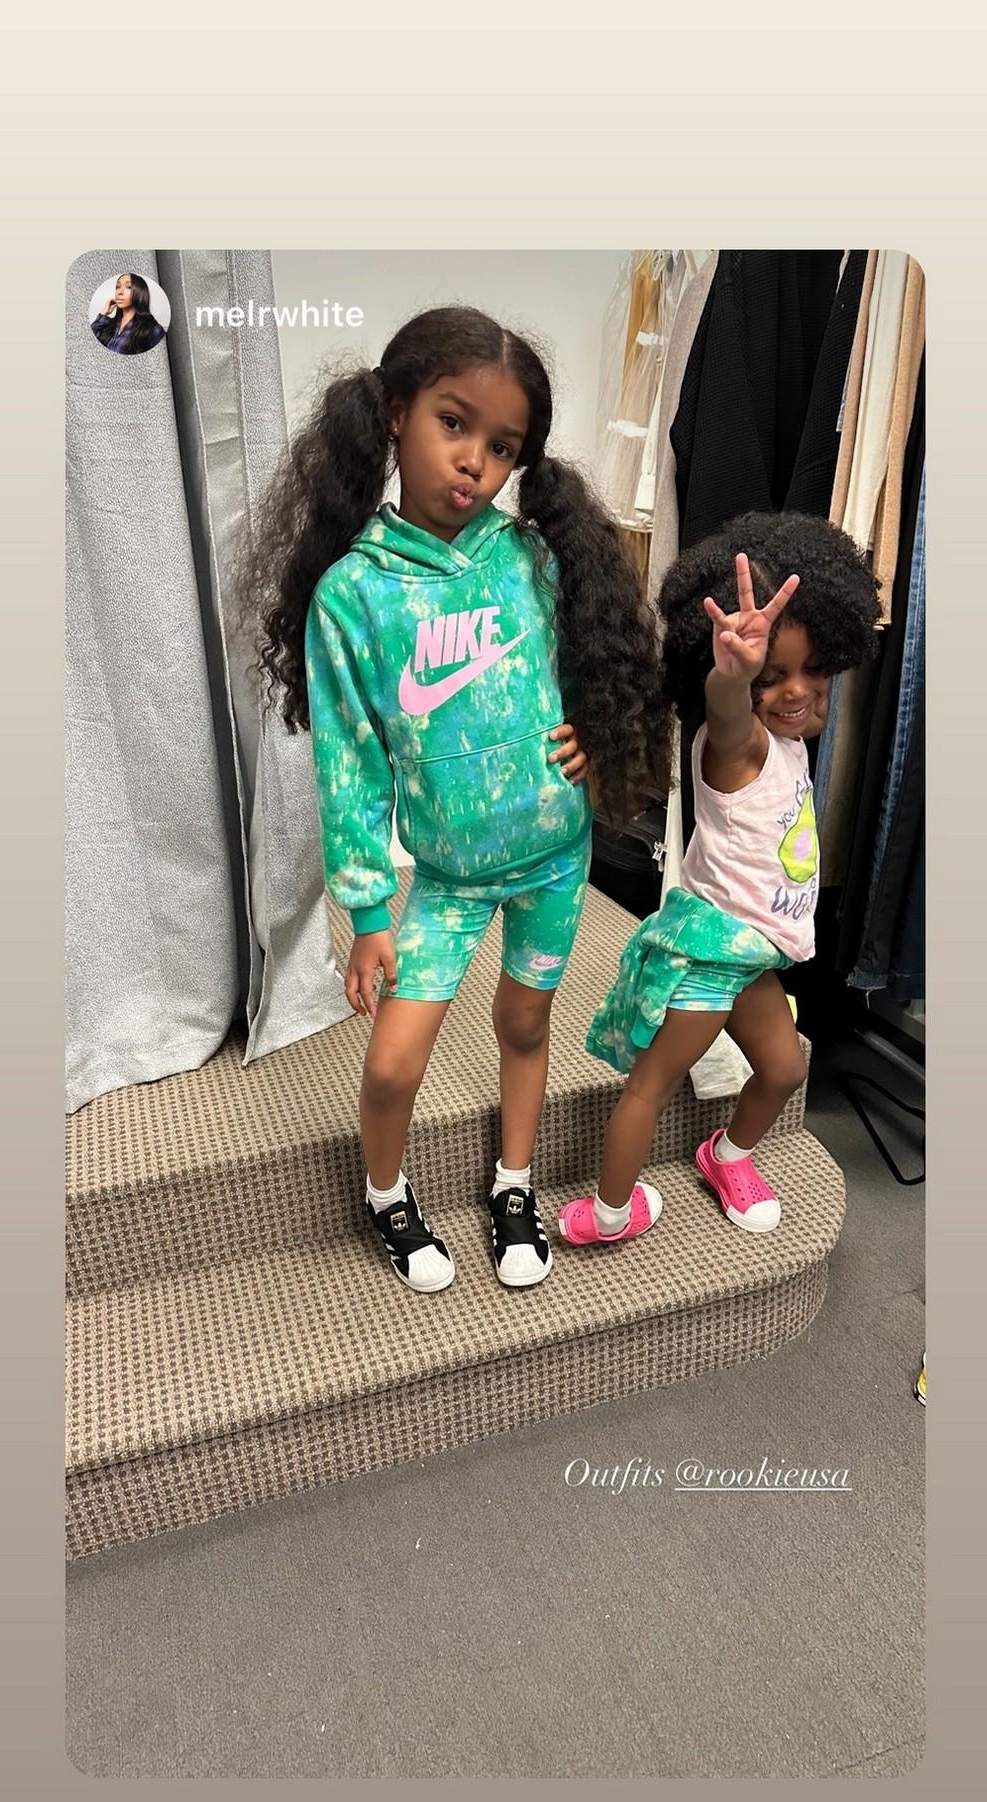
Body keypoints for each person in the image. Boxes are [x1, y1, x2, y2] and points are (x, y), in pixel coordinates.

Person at [238, 306, 669, 1292]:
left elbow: (600, 665)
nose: (475, 460)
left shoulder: (533, 560)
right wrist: (364, 911)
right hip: (446, 879)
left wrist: (595, 738)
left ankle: (514, 1185)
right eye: (453, 423)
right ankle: (385, 1196)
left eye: (502, 445)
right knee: (394, 1062)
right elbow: (349, 763)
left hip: (555, 861)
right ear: (394, 413)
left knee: (525, 1025)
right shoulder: (354, 595)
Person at [559, 510, 881, 1247]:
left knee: (782, 1069)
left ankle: (725, 1155)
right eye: (773, 677)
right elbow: (729, 711)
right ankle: (609, 1214)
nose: (795, 691)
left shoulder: (792, 744)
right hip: (708, 957)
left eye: (814, 670)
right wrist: (733, 678)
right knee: (649, 1088)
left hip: (752, 957)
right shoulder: (737, 744)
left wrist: (765, 680)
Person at [90, 273, 166, 355]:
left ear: (140, 292)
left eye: (128, 287)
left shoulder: (151, 329)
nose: (120, 292)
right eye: (118, 287)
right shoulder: (108, 324)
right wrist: (103, 313)